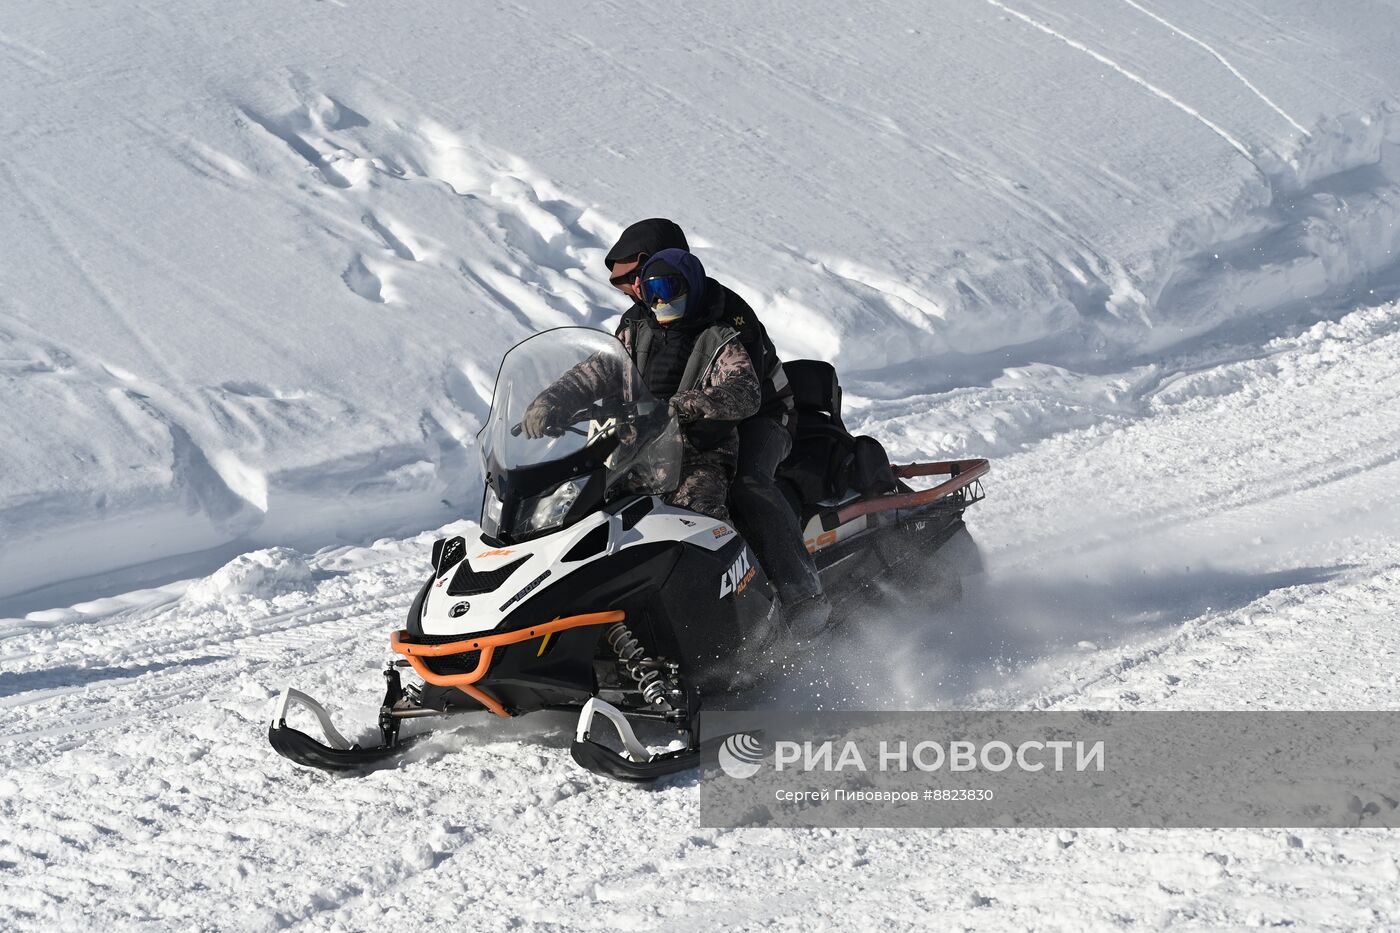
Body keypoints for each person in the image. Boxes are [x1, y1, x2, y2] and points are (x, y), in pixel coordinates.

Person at [604, 220, 831, 635]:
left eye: (633, 280)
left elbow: (743, 391)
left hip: (762, 415)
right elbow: (611, 370)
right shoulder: (638, 319)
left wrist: (687, 407)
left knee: (745, 483)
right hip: (689, 423)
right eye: (628, 287)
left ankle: (801, 595)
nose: (633, 291)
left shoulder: (726, 314)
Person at [523, 248, 759, 522]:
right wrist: (550, 401)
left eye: (667, 287)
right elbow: (588, 375)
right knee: (568, 506)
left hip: (694, 457)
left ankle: (733, 562)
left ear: (691, 286)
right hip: (627, 452)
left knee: (696, 518)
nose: (659, 298)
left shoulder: (719, 340)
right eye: (650, 291)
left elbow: (744, 389)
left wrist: (690, 404)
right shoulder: (632, 336)